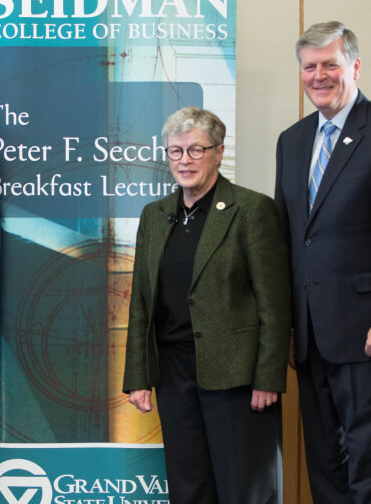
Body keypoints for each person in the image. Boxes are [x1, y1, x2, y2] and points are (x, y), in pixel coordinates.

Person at [274, 21, 371, 503]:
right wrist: (289, 326)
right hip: (311, 339)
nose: (319, 75)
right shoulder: (292, 140)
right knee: (325, 469)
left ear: (355, 67)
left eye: (330, 64)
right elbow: (288, 238)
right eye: (310, 67)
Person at [123, 107, 291, 504]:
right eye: (176, 151)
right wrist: (138, 376)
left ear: (218, 152)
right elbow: (141, 302)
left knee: (245, 488)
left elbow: (274, 302)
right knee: (188, 487)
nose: (185, 160)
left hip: (237, 375)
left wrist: (268, 376)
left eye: (196, 150)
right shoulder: (154, 216)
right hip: (173, 373)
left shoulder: (251, 210)